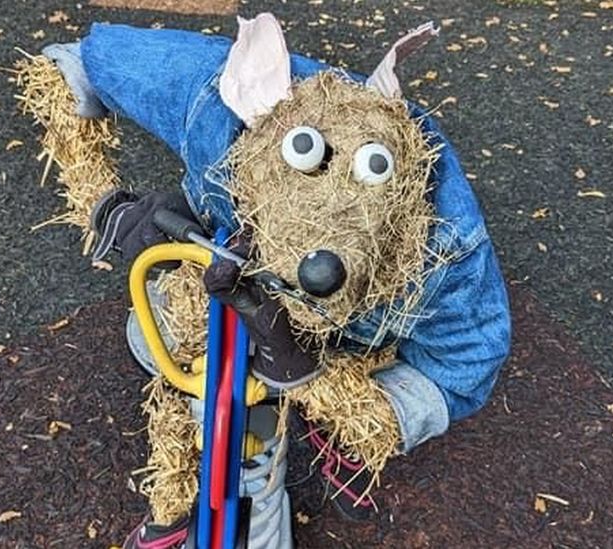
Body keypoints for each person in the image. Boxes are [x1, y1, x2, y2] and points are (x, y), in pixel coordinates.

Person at [42, 13, 511, 548]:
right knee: (165, 337)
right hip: (222, 274)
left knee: (329, 392)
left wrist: (341, 399)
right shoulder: (217, 110)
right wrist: (107, 205)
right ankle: (183, 476)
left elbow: (461, 368)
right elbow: (71, 69)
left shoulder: (442, 249)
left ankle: (295, 452)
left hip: (346, 335)